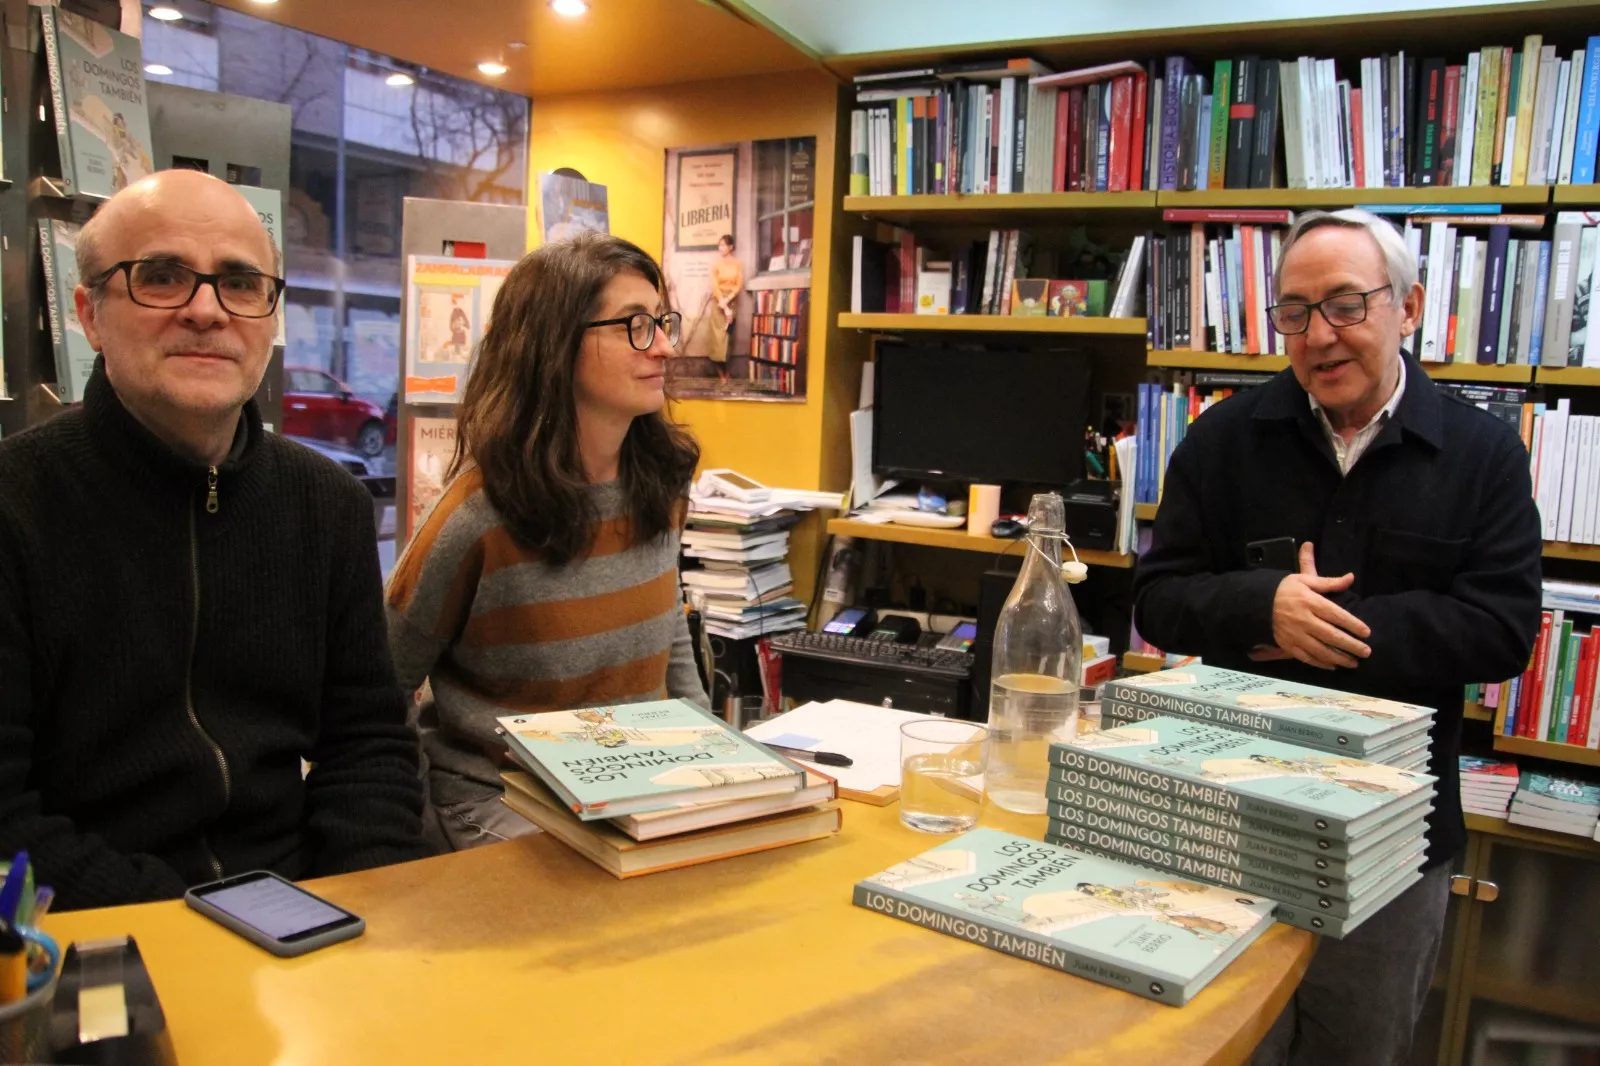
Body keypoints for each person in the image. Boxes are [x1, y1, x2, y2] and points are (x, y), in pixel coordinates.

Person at [1132, 209, 1541, 1066]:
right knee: (1224, 1046)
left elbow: (1502, 631)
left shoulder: (1483, 455)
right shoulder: (1219, 442)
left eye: (1347, 305)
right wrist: (1260, 607)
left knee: (1356, 1051)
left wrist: (1341, 630)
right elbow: (1160, 600)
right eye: (1295, 312)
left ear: (1409, 307)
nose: (1320, 335)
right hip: (1229, 818)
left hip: (1395, 842)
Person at [0, 169, 433, 912]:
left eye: (239, 283)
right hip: (96, 928)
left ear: (270, 317)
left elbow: (368, 747)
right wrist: (193, 925)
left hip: (300, 915)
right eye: (162, 277)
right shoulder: (15, 507)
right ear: (88, 315)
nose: (207, 311)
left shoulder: (327, 505)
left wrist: (363, 910)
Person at [386, 232, 711, 850]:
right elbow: (382, 681)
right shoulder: (476, 516)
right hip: (506, 799)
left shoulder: (662, 481)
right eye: (636, 326)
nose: (665, 346)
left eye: (663, 322)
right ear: (555, 344)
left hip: (637, 786)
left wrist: (715, 754)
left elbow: (668, 622)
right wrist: (405, 831)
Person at [709, 233, 744, 382]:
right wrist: (722, 303)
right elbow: (715, 285)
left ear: (730, 247)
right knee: (717, 338)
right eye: (719, 245)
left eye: (723, 245)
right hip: (718, 302)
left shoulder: (738, 264)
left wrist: (728, 302)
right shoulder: (716, 264)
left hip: (732, 301)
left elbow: (738, 284)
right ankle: (720, 373)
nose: (721, 248)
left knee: (728, 338)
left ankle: (727, 371)